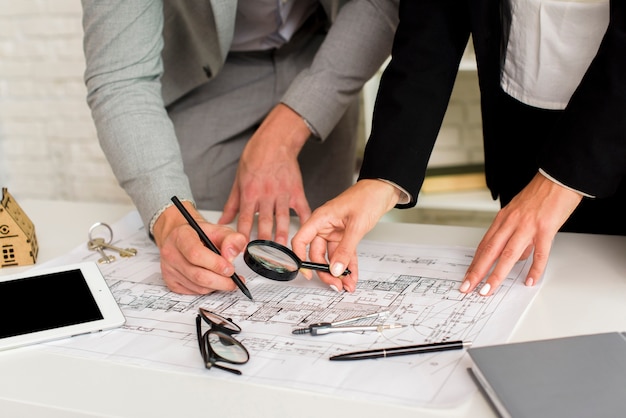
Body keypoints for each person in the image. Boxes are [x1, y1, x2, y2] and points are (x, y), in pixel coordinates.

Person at [292, 0, 626, 296]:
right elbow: (432, 25)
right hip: (519, 121)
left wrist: (563, 177)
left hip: (617, 126)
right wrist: (382, 180)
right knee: (534, 301)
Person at [81, 1, 399, 294]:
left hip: (326, 49)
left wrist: (287, 130)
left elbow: (382, 3)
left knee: (319, 233)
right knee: (199, 254)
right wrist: (170, 222)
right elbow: (121, 77)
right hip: (205, 72)